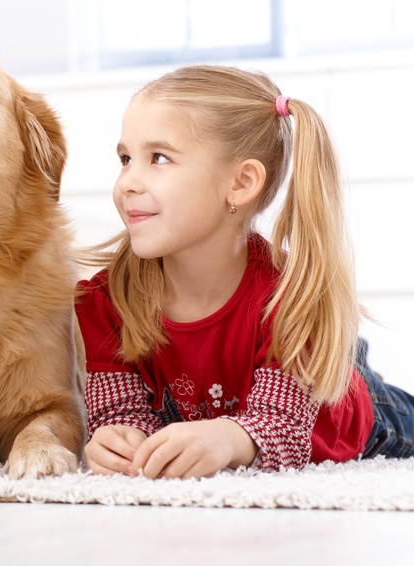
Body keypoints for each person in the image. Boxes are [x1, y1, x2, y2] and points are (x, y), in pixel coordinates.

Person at [77, 64, 414, 480]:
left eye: (158, 158)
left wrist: (229, 437)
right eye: (125, 158)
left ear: (241, 183)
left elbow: (283, 425)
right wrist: (117, 442)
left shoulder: (291, 296)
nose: (128, 180)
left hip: (351, 412)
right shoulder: (105, 302)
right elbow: (120, 413)